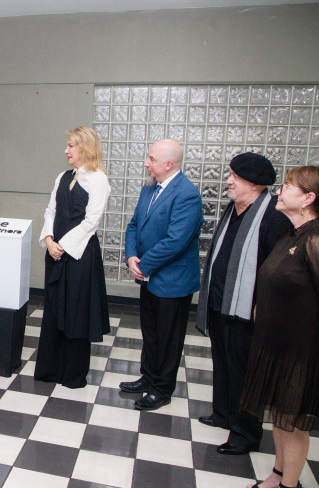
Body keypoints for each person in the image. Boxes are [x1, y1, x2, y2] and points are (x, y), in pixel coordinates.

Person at [240, 165, 319, 488]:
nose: (280, 191)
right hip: (278, 342)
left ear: (308, 198)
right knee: (280, 414)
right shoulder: (293, 234)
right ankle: (278, 475)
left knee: (293, 422)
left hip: (303, 347)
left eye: (288, 186)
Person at [195, 153, 292, 456]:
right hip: (221, 301)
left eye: (234, 177)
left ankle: (245, 434)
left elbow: (277, 268)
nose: (228, 181)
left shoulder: (273, 216)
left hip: (248, 309)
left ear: (254, 184)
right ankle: (223, 413)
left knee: (244, 371)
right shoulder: (233, 208)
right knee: (223, 361)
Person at [122, 139, 203, 411]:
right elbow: (134, 225)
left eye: (152, 159)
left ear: (169, 164)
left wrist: (143, 264)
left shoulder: (187, 194)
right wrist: (131, 256)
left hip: (173, 281)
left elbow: (176, 241)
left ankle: (162, 389)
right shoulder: (150, 188)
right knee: (151, 332)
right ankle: (148, 377)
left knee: (169, 338)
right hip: (149, 277)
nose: (146, 163)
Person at [34, 126, 110, 389]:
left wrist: (63, 246)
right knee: (54, 307)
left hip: (80, 255)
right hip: (55, 252)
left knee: (76, 311)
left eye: (70, 146)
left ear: (85, 148)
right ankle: (51, 369)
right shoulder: (63, 176)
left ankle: (72, 374)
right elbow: (51, 211)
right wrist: (48, 240)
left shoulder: (98, 179)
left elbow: (91, 221)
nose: (65, 150)